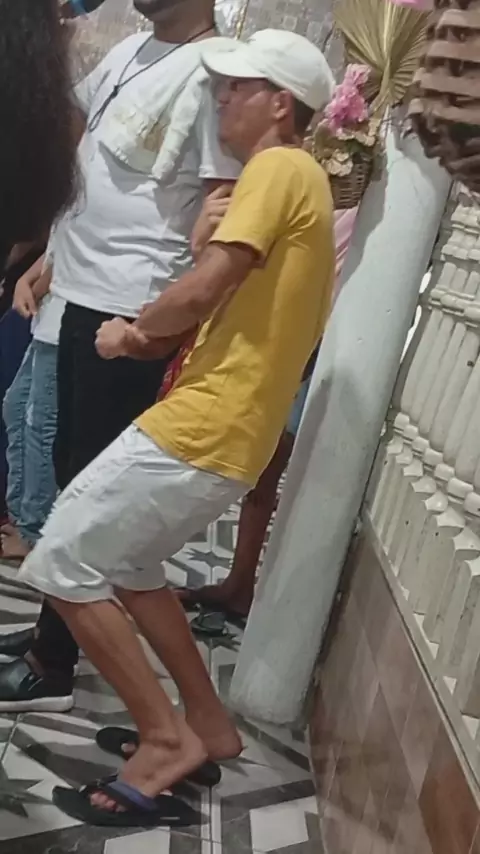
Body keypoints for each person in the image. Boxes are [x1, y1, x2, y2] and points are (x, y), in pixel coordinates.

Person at [18, 28, 335, 827]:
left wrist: (131, 333)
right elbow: (223, 284)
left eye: (238, 87)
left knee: (60, 559)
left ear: (280, 104)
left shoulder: (278, 168)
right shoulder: (291, 178)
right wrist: (199, 244)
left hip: (208, 422)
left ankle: (166, 741)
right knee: (129, 566)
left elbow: (205, 289)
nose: (221, 97)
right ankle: (208, 725)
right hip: (221, 421)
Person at [0, 0, 241, 710]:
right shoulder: (128, 52)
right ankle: (52, 631)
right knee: (63, 469)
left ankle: (53, 660)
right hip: (80, 288)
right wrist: (49, 259)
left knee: (88, 490)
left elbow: (219, 202)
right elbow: (83, 169)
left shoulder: (215, 72)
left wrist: (169, 315)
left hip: (132, 304)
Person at [1, 245, 64, 560]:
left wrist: (33, 289)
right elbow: (57, 245)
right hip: (47, 319)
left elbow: (69, 251)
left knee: (40, 424)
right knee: (15, 408)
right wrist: (24, 281)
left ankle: (33, 533)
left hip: (64, 319)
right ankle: (20, 516)